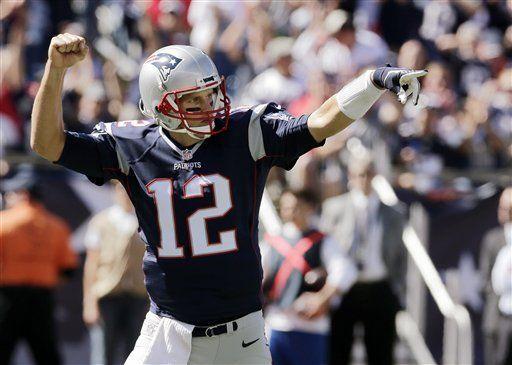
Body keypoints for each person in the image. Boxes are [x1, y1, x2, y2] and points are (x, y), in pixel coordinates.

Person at [30, 32, 426, 364]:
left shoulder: (245, 132)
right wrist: (56, 70)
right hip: (168, 330)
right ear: (160, 106)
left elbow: (320, 120)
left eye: (211, 94)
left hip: (243, 333)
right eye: (193, 101)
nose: (210, 108)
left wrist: (373, 80)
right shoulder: (133, 145)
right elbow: (47, 143)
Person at [321, 156, 407, 365]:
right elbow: (325, 249)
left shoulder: (394, 213)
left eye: (368, 174)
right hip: (345, 289)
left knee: (381, 353)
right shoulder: (335, 208)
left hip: (379, 286)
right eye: (359, 175)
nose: (364, 180)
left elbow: (399, 256)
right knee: (338, 351)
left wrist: (398, 288)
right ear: (350, 177)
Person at [261, 189, 356, 365]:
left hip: (311, 328)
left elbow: (345, 271)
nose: (290, 211)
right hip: (276, 323)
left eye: (296, 206)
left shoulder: (322, 241)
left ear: (310, 208)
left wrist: (322, 298)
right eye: (286, 207)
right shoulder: (272, 242)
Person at [0, 165, 78, 365]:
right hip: (42, 298)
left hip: (7, 298)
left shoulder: (4, 223)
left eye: (10, 193)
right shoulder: (57, 226)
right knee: (46, 354)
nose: (7, 197)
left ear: (23, 194)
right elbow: (69, 270)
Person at [82, 181, 148, 365]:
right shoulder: (101, 222)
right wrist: (89, 302)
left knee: (137, 351)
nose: (125, 194)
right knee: (103, 352)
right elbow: (92, 264)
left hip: (138, 296)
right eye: (121, 189)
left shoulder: (144, 220)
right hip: (107, 295)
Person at [480, 187, 512, 365]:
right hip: (498, 319)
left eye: (508, 209)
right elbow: (485, 280)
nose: (504, 213)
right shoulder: (493, 239)